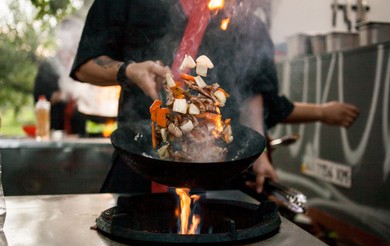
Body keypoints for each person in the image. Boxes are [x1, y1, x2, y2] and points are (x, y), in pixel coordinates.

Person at [70, 0, 359, 194]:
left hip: (220, 168)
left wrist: (257, 156)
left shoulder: (243, 19)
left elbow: (251, 95)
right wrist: (129, 70)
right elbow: (85, 65)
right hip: (140, 159)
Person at [33, 17, 86, 135]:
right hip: (55, 130)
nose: (77, 41)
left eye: (78, 37)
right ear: (62, 38)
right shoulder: (48, 66)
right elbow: (39, 98)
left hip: (81, 131)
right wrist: (62, 95)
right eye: (73, 37)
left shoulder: (84, 65)